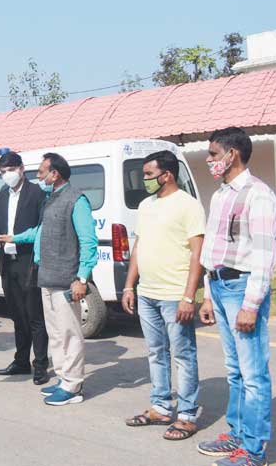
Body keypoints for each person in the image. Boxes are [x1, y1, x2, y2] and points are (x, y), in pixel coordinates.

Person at [195, 128, 276, 466]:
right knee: (235, 370)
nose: (209, 160)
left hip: (242, 289)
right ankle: (238, 434)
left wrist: (251, 305)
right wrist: (207, 295)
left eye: (214, 154)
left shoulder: (258, 194)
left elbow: (264, 255)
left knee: (253, 374)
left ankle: (254, 450)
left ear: (233, 154)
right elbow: (213, 249)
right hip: (219, 286)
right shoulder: (220, 195)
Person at [1, 152, 98, 406]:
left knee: (70, 333)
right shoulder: (50, 199)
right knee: (55, 334)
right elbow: (40, 232)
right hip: (46, 277)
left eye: (42, 171)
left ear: (55, 174)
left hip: (66, 280)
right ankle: (64, 378)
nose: (38, 176)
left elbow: (89, 242)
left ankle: (73, 386)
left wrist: (82, 278)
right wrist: (14, 238)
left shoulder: (76, 200)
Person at [121, 150, 206, 441]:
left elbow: (197, 254)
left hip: (174, 295)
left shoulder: (188, 206)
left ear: (166, 175)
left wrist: (188, 296)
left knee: (183, 354)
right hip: (147, 293)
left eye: (148, 174)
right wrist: (129, 286)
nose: (144, 180)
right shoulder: (146, 206)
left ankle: (187, 415)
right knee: (156, 352)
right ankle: (160, 407)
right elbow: (138, 247)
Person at [0, 151, 49, 384]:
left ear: (21, 168)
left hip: (28, 261)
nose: (7, 175)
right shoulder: (3, 194)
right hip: (8, 261)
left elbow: (42, 228)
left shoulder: (37, 193)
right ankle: (21, 361)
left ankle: (40, 364)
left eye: (10, 170)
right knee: (17, 316)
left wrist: (17, 238)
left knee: (35, 316)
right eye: (3, 172)